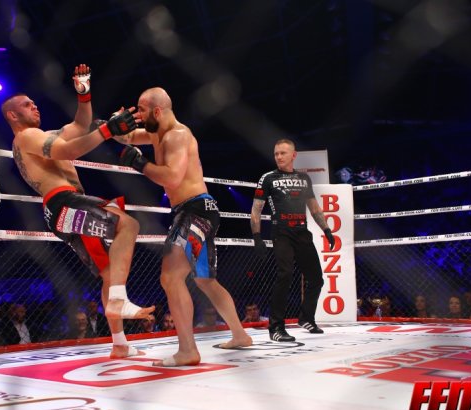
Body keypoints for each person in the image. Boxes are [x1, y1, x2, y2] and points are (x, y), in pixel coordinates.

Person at [1, 64, 154, 358]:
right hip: (64, 202)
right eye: (27, 104)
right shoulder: (27, 137)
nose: (34, 105)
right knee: (128, 225)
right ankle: (119, 300)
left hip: (65, 208)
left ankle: (119, 344)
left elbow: (80, 126)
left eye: (33, 103)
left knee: (109, 270)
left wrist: (84, 93)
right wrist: (108, 130)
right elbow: (68, 151)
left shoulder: (44, 135)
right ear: (12, 115)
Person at [116, 87, 252, 366]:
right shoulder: (156, 134)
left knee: (170, 277)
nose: (137, 115)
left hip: (195, 210)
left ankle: (188, 350)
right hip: (198, 210)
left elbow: (173, 178)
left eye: (141, 110)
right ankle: (240, 335)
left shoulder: (177, 135)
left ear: (157, 111)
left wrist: (140, 163)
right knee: (205, 280)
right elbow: (126, 137)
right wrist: (115, 124)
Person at [250, 138, 335, 342]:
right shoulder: (268, 178)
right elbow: (256, 210)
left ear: (293, 155)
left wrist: (326, 229)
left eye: (283, 153)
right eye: (276, 153)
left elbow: (314, 207)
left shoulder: (304, 178)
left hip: (302, 232)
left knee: (316, 278)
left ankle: (306, 317)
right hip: (282, 232)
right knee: (285, 275)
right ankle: (276, 327)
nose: (279, 157)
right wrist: (257, 237)